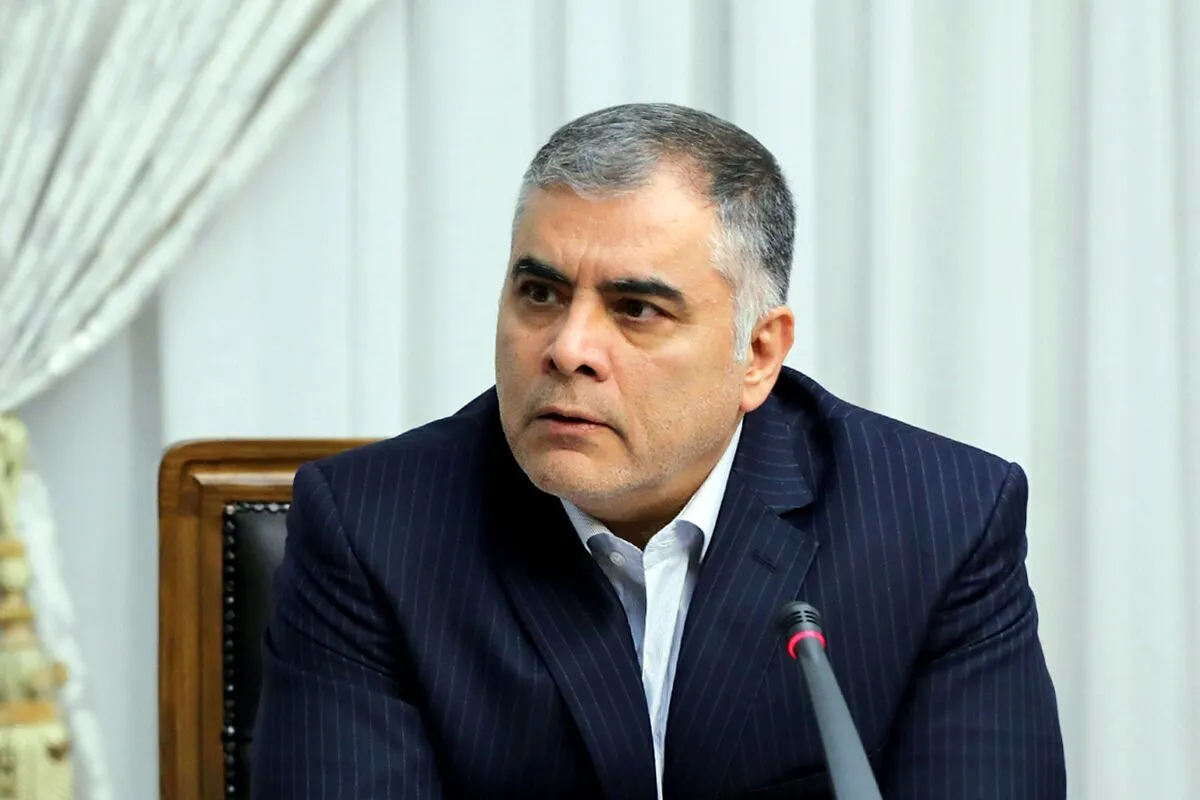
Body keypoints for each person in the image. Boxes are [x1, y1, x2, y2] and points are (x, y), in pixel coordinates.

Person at [251, 102, 1066, 798]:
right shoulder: (374, 530)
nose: (568, 348)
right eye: (540, 292)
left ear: (758, 355)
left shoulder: (940, 524)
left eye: (636, 309)